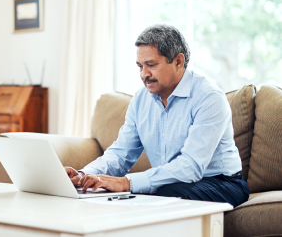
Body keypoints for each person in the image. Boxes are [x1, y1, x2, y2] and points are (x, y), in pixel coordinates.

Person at [65, 24, 249, 207]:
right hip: (174, 183)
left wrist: (127, 182)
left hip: (222, 182)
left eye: (151, 65)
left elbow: (191, 166)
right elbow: (121, 153)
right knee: (120, 192)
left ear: (178, 62)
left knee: (159, 193)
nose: (144, 74)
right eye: (140, 66)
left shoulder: (208, 97)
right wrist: (84, 176)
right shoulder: (140, 99)